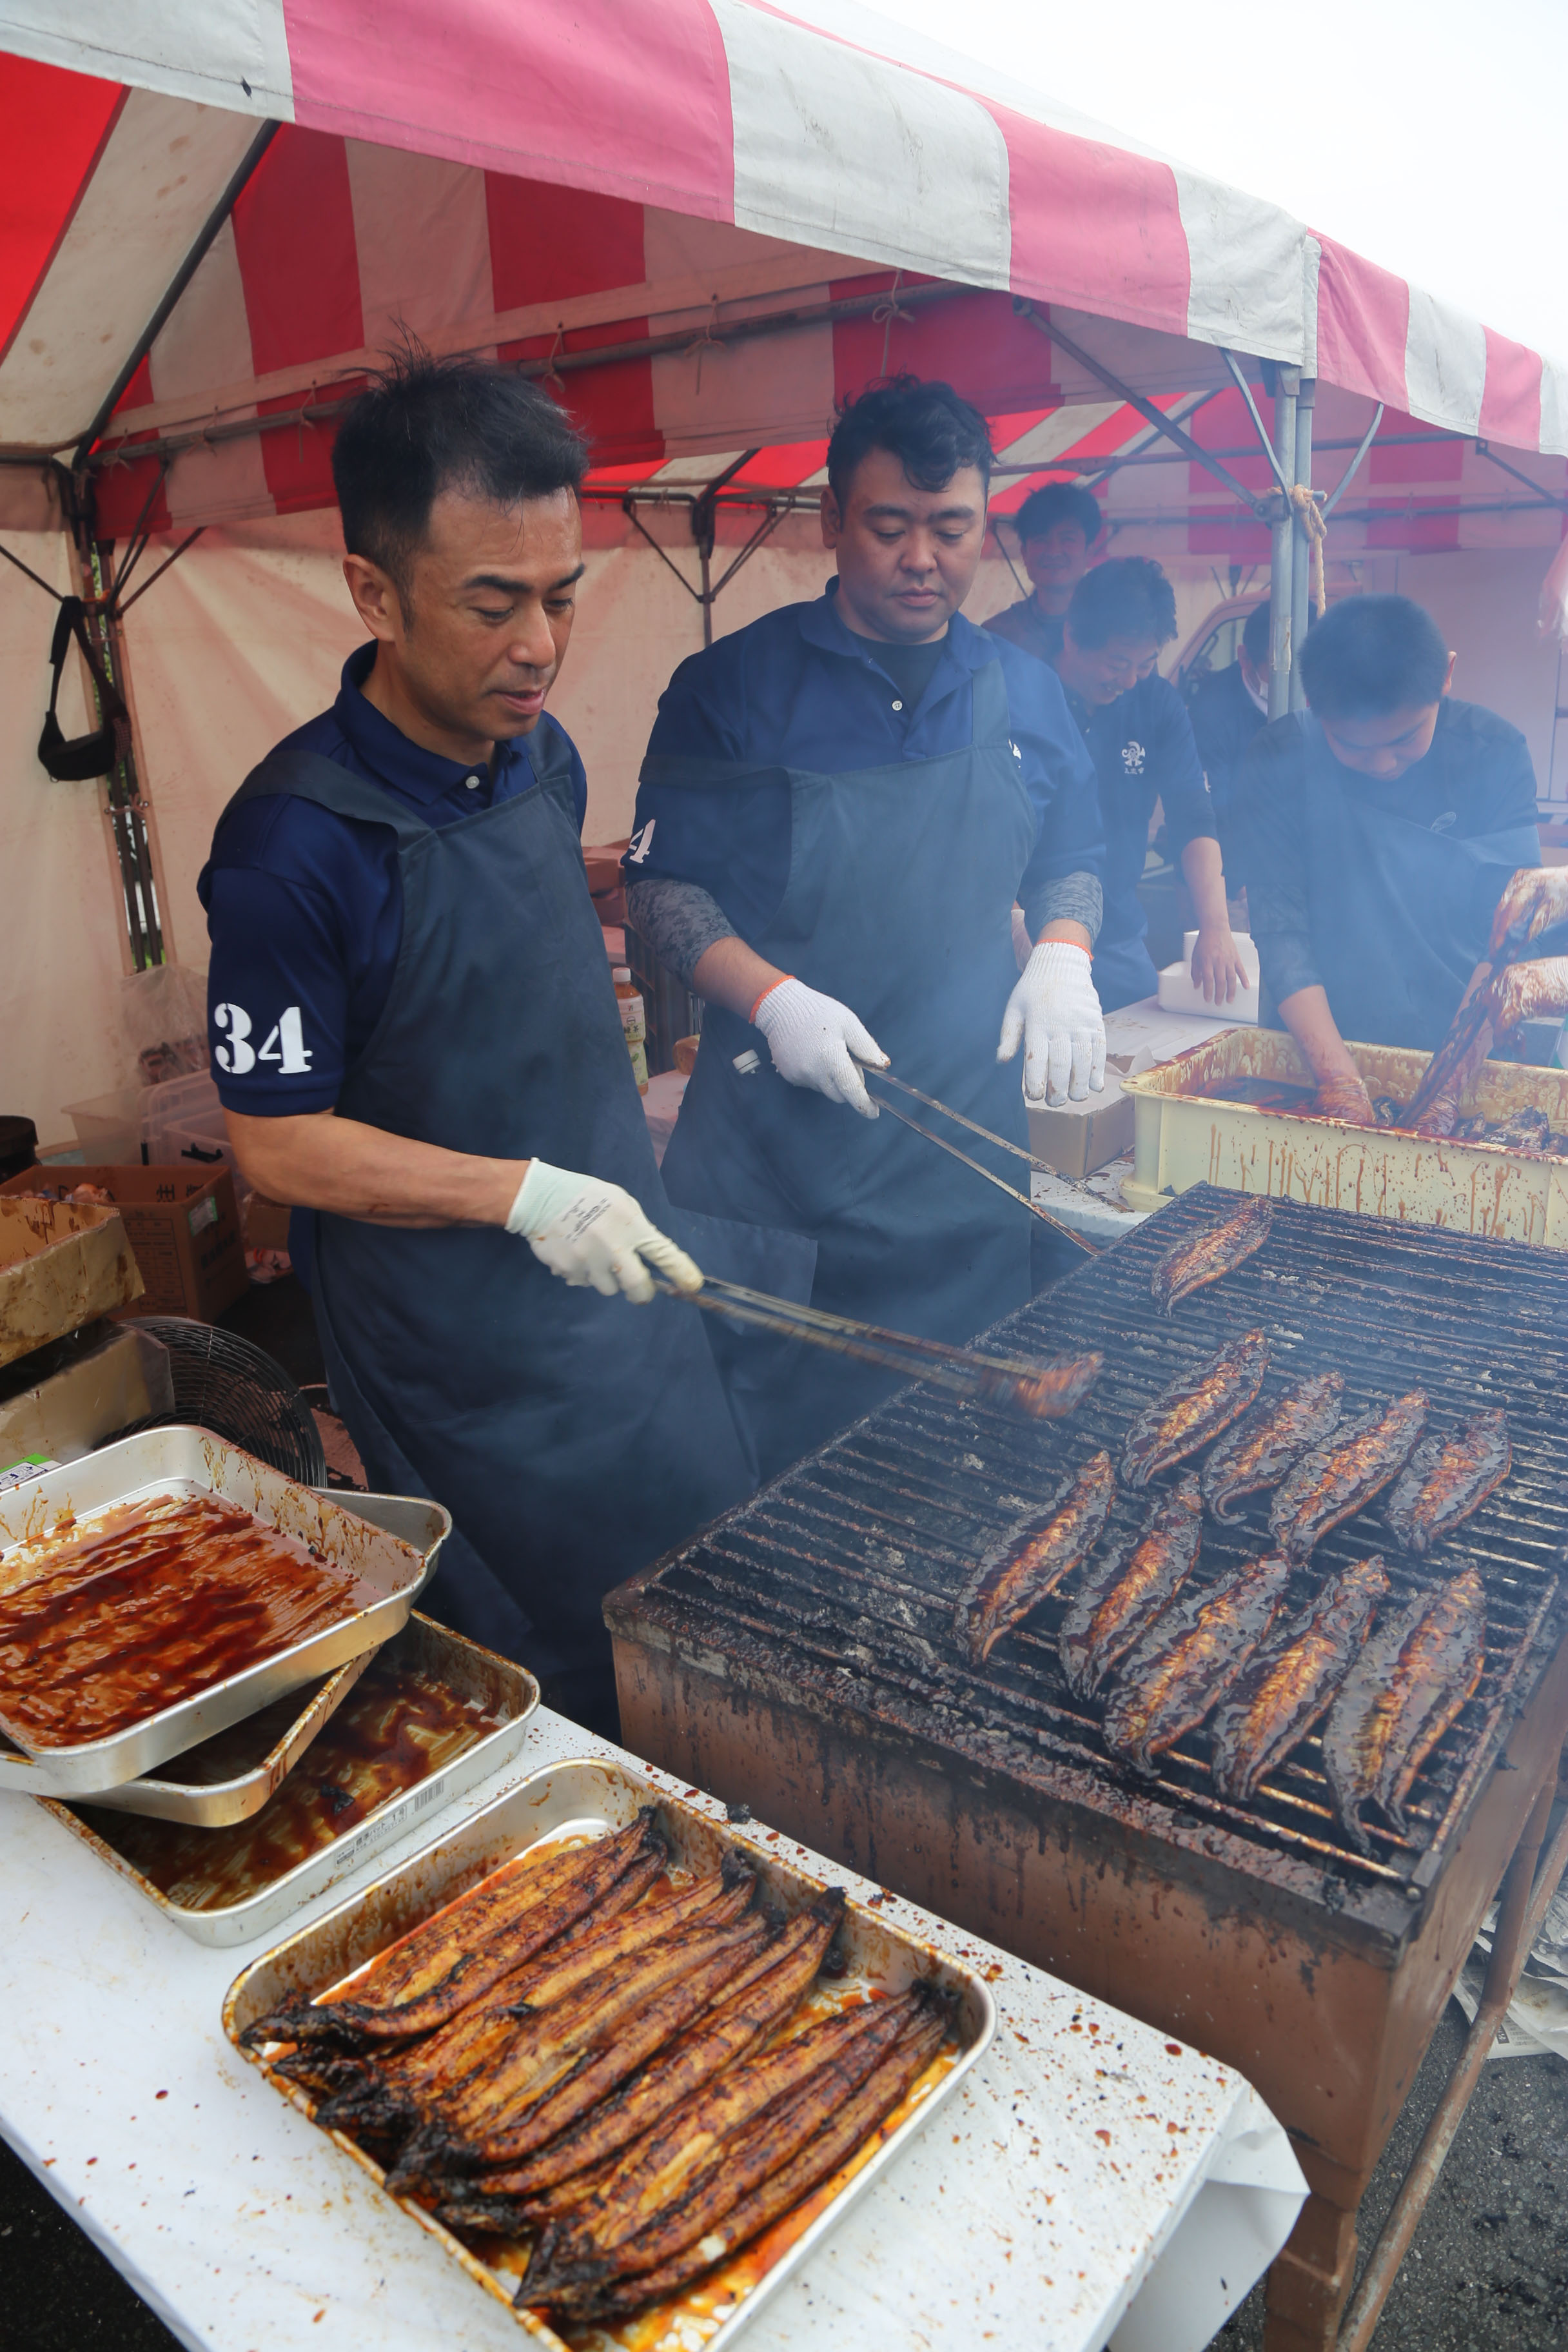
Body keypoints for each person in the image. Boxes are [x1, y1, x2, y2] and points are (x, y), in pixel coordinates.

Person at [198, 353, 752, 1734]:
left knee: (707, 1614)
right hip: (460, 1368)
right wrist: (516, 1191)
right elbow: (271, 1139)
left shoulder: (539, 751)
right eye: (492, 604)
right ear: (373, 592)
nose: (540, 647)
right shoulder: (292, 847)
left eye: (562, 596)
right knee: (554, 1689)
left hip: (618, 1300)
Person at [624, 377, 1106, 1477]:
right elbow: (659, 891)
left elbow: (1075, 855)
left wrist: (1066, 955)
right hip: (776, 1174)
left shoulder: (1024, 688)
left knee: (959, 1466)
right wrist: (769, 994)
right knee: (770, 1482)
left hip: (960, 1176)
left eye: (953, 529)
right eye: (889, 527)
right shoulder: (730, 686)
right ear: (833, 521)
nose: (922, 558)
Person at [1240, 594, 1542, 1120]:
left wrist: (1447, 1087)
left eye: (1404, 739)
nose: (1382, 764)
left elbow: (1511, 934)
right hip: (1311, 1046)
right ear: (1313, 704)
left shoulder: (1494, 751)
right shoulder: (1280, 756)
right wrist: (1337, 1080)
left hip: (1463, 1039)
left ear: (1446, 676)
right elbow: (1281, 928)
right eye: (1352, 745)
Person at [1043, 557, 1249, 1011]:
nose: (1130, 680)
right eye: (1118, 663)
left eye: (1147, 663)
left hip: (1117, 935)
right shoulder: (1028, 692)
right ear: (1072, 636)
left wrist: (1215, 926)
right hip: (1032, 935)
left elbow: (1193, 815)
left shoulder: (1157, 703)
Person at [1186, 601, 1271, 885]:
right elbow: (1212, 811)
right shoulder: (1212, 711)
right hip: (1230, 877)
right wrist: (1241, 882)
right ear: (1244, 658)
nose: (1299, 682)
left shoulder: (1324, 700)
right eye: (1279, 670)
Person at [986, 480, 1102, 668]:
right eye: (1041, 539)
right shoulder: (998, 635)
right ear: (1025, 553)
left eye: (1068, 539)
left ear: (1089, 552)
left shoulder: (1114, 627)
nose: (1054, 551)